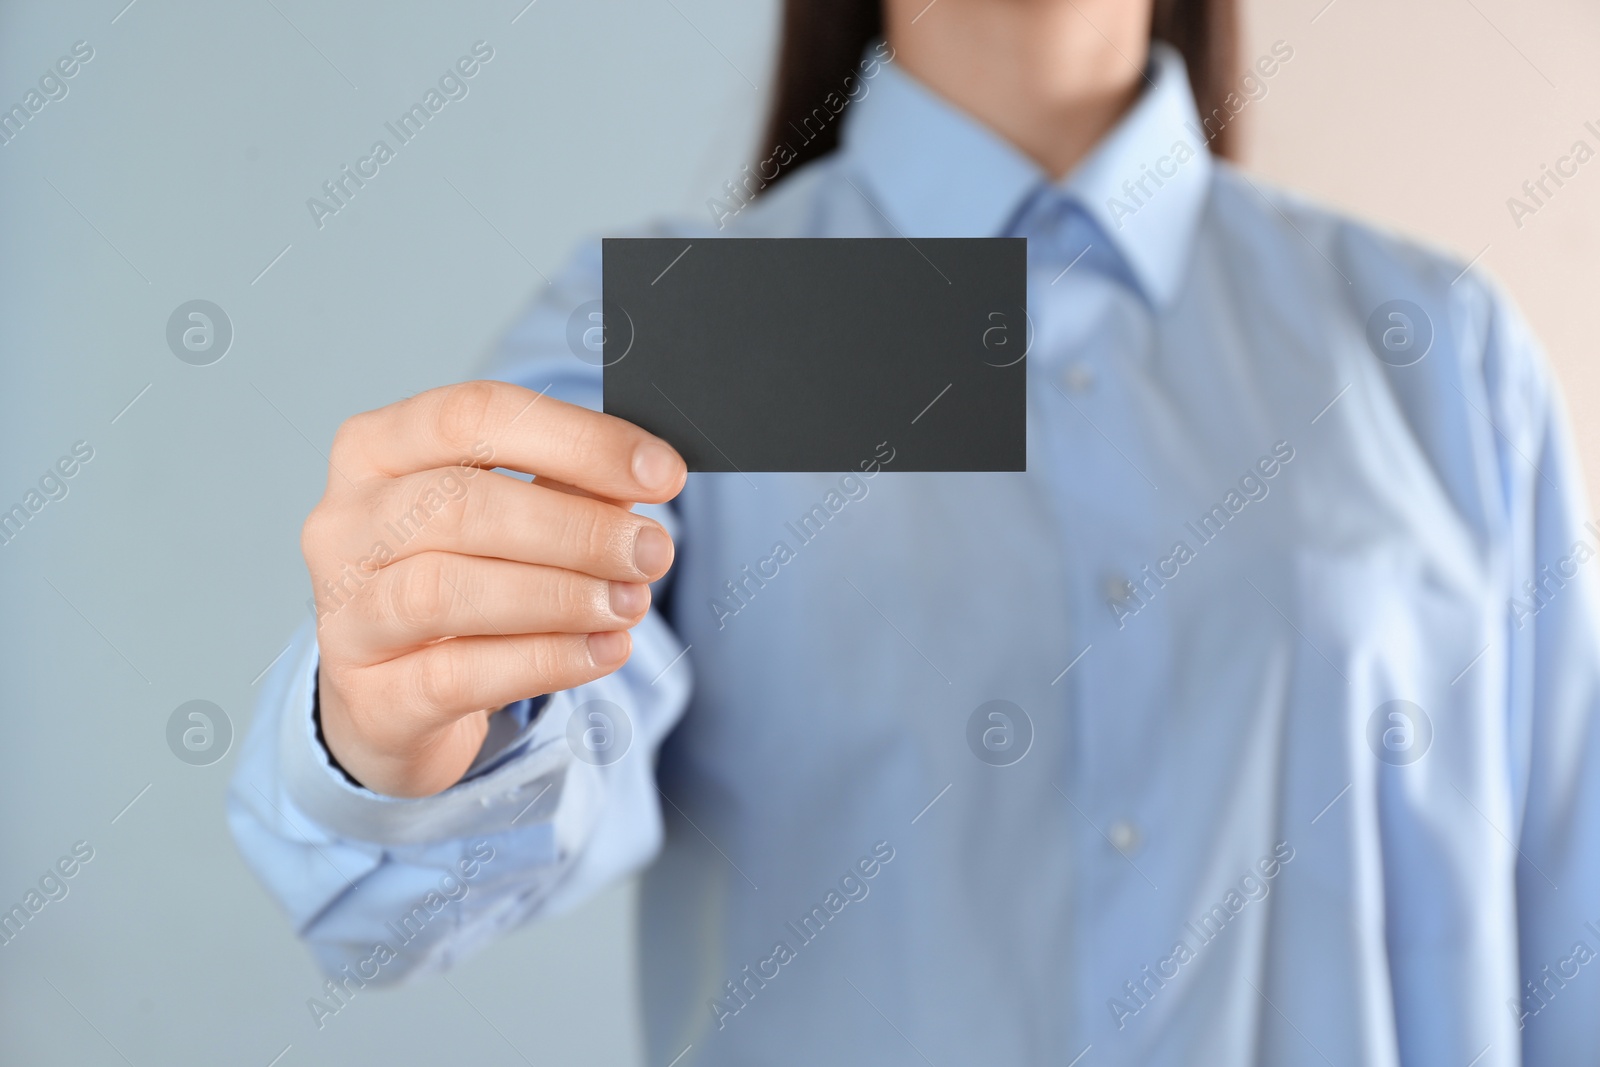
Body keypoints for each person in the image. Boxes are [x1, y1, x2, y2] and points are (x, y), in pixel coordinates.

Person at [228, 0, 1600, 1062]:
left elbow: (1568, 925)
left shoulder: (1432, 348)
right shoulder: (727, 334)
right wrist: (405, 725)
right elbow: (450, 852)